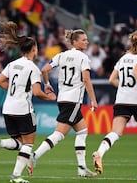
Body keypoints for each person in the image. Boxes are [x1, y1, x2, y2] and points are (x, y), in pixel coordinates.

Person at [0, 21, 56, 183]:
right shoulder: (33, 68)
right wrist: (50, 98)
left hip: (8, 108)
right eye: (37, 48)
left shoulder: (12, 64)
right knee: (28, 145)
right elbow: (38, 92)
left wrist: (14, 90)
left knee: (19, 143)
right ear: (33, 49)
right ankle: (15, 177)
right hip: (23, 109)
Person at [27, 29, 98, 177]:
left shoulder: (61, 55)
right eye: (84, 40)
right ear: (75, 42)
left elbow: (44, 70)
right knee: (59, 134)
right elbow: (86, 79)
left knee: (82, 131)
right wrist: (93, 99)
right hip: (73, 101)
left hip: (63, 99)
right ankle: (34, 156)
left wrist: (46, 84)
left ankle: (81, 169)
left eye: (86, 39)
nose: (87, 42)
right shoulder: (83, 58)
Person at [92, 30, 137, 178]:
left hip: (122, 99)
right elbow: (136, 72)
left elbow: (111, 79)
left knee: (115, 132)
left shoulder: (123, 59)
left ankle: (99, 153)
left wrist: (123, 88)